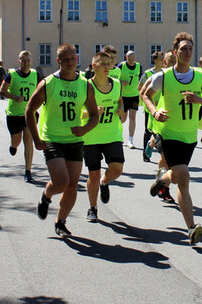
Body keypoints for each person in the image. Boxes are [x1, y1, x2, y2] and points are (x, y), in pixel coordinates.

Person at [142, 32, 202, 245]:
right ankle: (192, 228)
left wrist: (199, 100)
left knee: (177, 175)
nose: (187, 52)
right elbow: (145, 94)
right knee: (183, 178)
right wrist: (155, 112)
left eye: (190, 49)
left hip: (189, 136)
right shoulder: (163, 76)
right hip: (168, 133)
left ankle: (162, 179)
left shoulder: (201, 76)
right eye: (183, 49)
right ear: (175, 52)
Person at [26, 43, 99, 237]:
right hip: (53, 139)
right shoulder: (48, 83)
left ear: (77, 59)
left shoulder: (85, 84)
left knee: (72, 185)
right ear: (58, 61)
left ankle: (60, 222)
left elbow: (94, 116)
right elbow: (29, 111)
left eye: (72, 58)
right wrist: (35, 138)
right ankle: (47, 194)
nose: (69, 62)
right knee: (61, 182)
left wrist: (84, 129)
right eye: (65, 59)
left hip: (74, 140)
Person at [82, 51, 125, 222]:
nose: (107, 67)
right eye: (103, 63)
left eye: (109, 63)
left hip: (112, 134)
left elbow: (120, 99)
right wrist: (89, 113)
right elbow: (78, 111)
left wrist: (121, 108)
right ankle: (92, 207)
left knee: (117, 169)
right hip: (91, 136)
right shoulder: (85, 86)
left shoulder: (116, 84)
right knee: (93, 174)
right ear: (94, 66)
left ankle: (104, 182)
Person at [140, 49, 176, 204]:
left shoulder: (183, 78)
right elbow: (143, 92)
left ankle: (151, 143)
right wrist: (154, 108)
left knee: (167, 158)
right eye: (170, 61)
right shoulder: (157, 77)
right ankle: (163, 188)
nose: (174, 63)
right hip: (159, 121)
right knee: (166, 158)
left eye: (175, 60)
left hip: (176, 122)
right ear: (164, 63)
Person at [0, 51, 40, 182]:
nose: (26, 63)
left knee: (29, 140)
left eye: (28, 60)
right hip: (14, 114)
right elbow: (2, 91)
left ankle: (28, 171)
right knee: (16, 141)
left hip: (29, 114)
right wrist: (15, 97)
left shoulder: (35, 75)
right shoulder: (11, 75)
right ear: (19, 61)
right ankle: (13, 145)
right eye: (23, 60)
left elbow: (42, 91)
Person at [138, 51, 164, 162]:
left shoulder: (165, 73)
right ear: (155, 60)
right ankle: (145, 153)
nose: (163, 60)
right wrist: (150, 100)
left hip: (162, 107)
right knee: (148, 130)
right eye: (161, 58)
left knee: (160, 131)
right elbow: (140, 88)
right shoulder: (148, 74)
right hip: (150, 107)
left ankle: (162, 154)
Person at [117, 50, 142, 149]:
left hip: (134, 95)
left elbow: (140, 79)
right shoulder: (121, 66)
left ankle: (130, 140)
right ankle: (118, 136)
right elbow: (114, 79)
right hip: (123, 96)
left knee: (132, 116)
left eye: (133, 59)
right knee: (123, 119)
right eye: (129, 59)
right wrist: (121, 81)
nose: (131, 61)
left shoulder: (139, 66)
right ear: (126, 58)